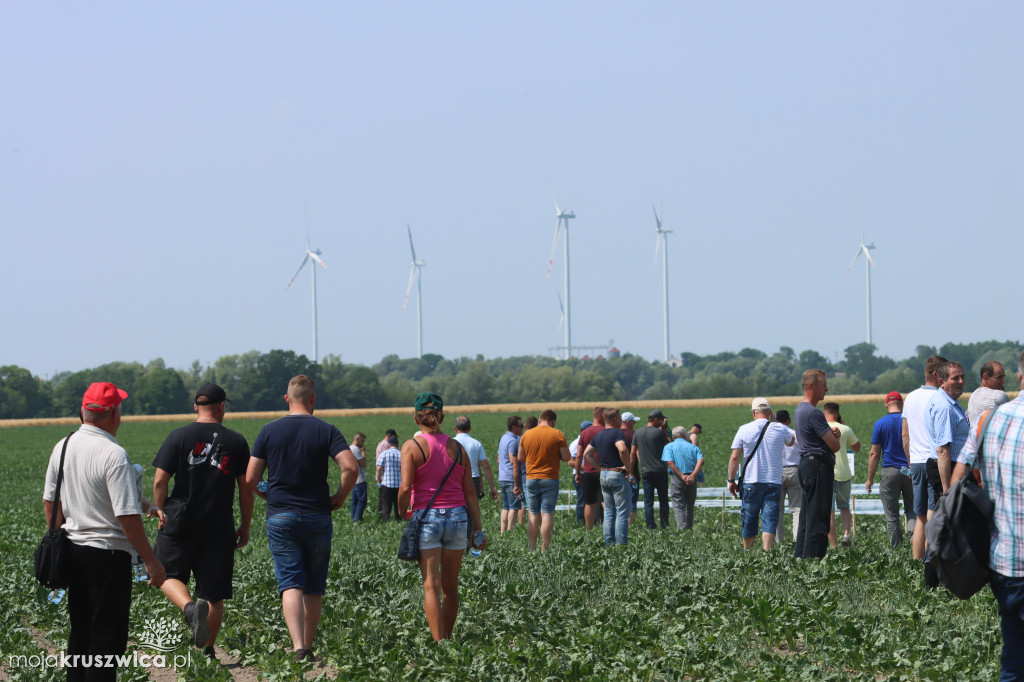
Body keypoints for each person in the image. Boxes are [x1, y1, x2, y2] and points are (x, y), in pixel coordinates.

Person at [43, 382, 167, 682]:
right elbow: (126, 515)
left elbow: (50, 501)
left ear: (82, 412)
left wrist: (58, 535)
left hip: (73, 551)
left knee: (81, 634)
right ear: (114, 415)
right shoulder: (114, 454)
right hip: (109, 557)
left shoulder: (64, 446)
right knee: (106, 640)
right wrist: (150, 559)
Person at [244, 375, 358, 662]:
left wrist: (268, 495)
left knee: (291, 583)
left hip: (281, 516)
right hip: (318, 514)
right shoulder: (327, 430)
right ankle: (308, 645)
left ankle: (297, 648)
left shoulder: (269, 431)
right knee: (314, 584)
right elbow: (350, 468)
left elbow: (251, 478)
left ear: (286, 399)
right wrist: (339, 497)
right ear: (313, 399)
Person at [152, 383, 252, 659]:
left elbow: (161, 480)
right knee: (214, 593)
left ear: (196, 407)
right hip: (218, 524)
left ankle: (188, 608)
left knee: (165, 574)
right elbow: (245, 488)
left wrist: (160, 510)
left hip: (180, 520)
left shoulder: (178, 436)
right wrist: (245, 524)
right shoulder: (237, 441)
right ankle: (207, 651)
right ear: (222, 406)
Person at [950, 349, 1024, 680]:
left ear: (1020, 377)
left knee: (1013, 658)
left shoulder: (990, 419)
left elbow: (959, 480)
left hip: (1005, 561)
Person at [398, 393, 486, 642]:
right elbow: (470, 492)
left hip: (427, 519)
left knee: (431, 586)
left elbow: (405, 489)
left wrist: (402, 510)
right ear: (443, 417)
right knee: (450, 586)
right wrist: (478, 529)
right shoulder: (458, 448)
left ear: (416, 418)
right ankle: (447, 639)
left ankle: (439, 645)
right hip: (458, 518)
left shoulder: (411, 447)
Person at [728, 398, 794, 551]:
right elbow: (792, 441)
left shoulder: (744, 429)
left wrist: (732, 480)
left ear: (753, 412)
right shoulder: (780, 428)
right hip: (773, 481)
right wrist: (776, 422)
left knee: (749, 518)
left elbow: (734, 457)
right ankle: (767, 553)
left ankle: (748, 553)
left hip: (751, 481)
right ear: (770, 412)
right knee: (770, 520)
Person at [902, 355, 948, 575]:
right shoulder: (941, 397)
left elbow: (905, 435)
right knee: (933, 511)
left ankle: (915, 561)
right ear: (936, 374)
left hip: (916, 461)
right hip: (934, 460)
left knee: (919, 514)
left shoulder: (910, 397)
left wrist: (910, 462)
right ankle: (932, 561)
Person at [793, 370, 842, 559]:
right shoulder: (813, 413)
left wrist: (831, 436)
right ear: (812, 386)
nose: (827, 388)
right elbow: (835, 446)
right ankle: (813, 560)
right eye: (823, 384)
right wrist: (833, 437)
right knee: (819, 519)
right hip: (818, 467)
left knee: (807, 516)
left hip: (806, 464)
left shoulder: (800, 409)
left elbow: (822, 439)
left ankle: (801, 557)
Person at [514, 408, 570, 552]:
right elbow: (566, 457)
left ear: (539, 420)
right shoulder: (557, 434)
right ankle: (545, 549)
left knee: (533, 514)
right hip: (550, 478)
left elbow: (520, 458)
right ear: (553, 421)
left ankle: (532, 549)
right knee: (547, 514)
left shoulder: (527, 434)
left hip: (531, 478)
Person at [865, 391, 914, 549]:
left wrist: (870, 479)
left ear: (886, 404)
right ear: (902, 403)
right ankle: (916, 546)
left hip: (889, 472)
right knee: (913, 510)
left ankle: (897, 550)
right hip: (910, 471)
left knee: (892, 515)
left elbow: (874, 453)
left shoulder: (880, 424)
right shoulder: (910, 422)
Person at [582, 408, 636, 546]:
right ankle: (621, 544)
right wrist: (628, 468)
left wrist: (600, 467)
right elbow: (622, 449)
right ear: (616, 419)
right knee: (622, 512)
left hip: (604, 475)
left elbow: (587, 454)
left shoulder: (599, 435)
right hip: (617, 475)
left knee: (609, 512)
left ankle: (609, 543)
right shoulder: (617, 433)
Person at [927, 361, 970, 495]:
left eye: (962, 377)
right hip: (949, 469)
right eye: (955, 378)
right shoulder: (945, 407)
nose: (961, 381)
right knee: (951, 513)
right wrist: (946, 489)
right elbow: (943, 450)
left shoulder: (950, 402)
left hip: (952, 467)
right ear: (941, 381)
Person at [822, 402, 860, 548]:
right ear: (837, 414)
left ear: (824, 414)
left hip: (828, 474)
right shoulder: (844, 429)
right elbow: (857, 447)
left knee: (829, 511)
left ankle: (833, 545)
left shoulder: (822, 430)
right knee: (844, 506)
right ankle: (846, 534)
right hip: (844, 473)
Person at [632, 409, 671, 530]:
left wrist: (631, 470)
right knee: (663, 500)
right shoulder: (659, 433)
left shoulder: (637, 433)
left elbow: (632, 453)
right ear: (656, 420)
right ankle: (664, 525)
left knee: (648, 501)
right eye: (661, 420)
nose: (662, 422)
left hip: (645, 471)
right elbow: (670, 445)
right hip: (660, 470)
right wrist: (665, 429)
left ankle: (650, 526)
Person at [662, 425, 704, 530]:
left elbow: (670, 462)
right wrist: (693, 475)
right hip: (692, 478)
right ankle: (689, 528)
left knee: (678, 505)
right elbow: (700, 461)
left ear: (673, 436)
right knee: (690, 505)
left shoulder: (668, 447)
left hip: (677, 478)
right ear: (685, 435)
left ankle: (682, 530)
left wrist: (681, 476)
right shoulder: (694, 447)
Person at [575, 407, 606, 530]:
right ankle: (607, 527)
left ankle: (589, 529)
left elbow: (579, 455)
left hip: (588, 472)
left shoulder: (585, 433)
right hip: (604, 471)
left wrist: (578, 473)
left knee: (589, 503)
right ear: (602, 416)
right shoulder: (606, 431)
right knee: (605, 502)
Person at [453, 416, 497, 502]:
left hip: (456, 480)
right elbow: (485, 466)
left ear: (455, 428)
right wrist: (492, 487)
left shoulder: (450, 443)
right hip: (473, 480)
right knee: (472, 509)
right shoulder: (476, 443)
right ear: (469, 428)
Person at [775, 410, 801, 543]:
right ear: (788, 421)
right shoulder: (795, 434)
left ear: (775, 420)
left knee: (777, 510)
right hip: (794, 470)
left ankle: (779, 542)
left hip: (777, 472)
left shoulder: (773, 434)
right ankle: (797, 540)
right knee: (797, 509)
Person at [497, 415, 524, 533]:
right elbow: (515, 464)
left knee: (505, 507)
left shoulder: (503, 438)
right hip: (510, 478)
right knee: (514, 507)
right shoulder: (513, 441)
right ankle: (510, 532)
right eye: (520, 426)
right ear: (514, 427)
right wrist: (517, 484)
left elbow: (498, 460)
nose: (522, 428)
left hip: (502, 477)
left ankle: (503, 532)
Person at [966, 360, 1010, 425]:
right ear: (985, 377)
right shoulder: (999, 396)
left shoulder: (973, 396)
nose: (1003, 381)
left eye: (1003, 377)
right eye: (999, 378)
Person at [568, 420, 592, 524]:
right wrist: (587, 467)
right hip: (581, 475)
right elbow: (571, 462)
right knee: (582, 500)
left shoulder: (588, 442)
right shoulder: (576, 444)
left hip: (587, 474)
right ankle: (580, 522)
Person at [376, 435, 402, 521]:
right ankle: (398, 521)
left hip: (386, 484)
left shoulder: (384, 454)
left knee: (386, 505)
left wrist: (379, 481)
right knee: (398, 505)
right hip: (399, 484)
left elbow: (379, 468)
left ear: (389, 445)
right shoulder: (401, 454)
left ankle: (385, 523)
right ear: (397, 444)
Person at [620, 412, 640, 525]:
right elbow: (637, 454)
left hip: (617, 471)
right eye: (633, 421)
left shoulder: (616, 434)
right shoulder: (634, 434)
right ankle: (629, 524)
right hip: (632, 472)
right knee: (632, 499)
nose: (635, 423)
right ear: (628, 422)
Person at [349, 432, 368, 522]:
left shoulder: (349, 448)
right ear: (357, 439)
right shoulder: (356, 449)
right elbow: (363, 464)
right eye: (362, 441)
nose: (363, 443)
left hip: (352, 479)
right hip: (360, 479)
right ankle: (357, 519)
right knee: (362, 501)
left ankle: (353, 518)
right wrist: (363, 452)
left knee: (354, 501)